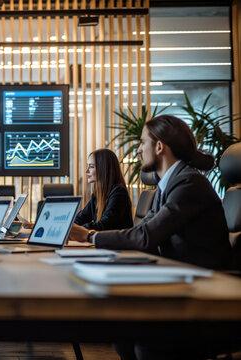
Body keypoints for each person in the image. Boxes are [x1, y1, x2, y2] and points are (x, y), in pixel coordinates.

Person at [69, 115, 232, 360]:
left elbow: (146, 236)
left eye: (143, 142)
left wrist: (90, 236)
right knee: (122, 330)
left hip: (203, 293)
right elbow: (142, 232)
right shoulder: (166, 186)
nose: (139, 150)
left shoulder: (189, 183)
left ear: (159, 146)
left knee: (142, 339)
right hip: (177, 281)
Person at [74, 148, 133, 231]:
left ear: (104, 168)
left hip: (117, 243)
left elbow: (105, 225)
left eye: (91, 166)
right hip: (105, 242)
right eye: (87, 166)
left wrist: (76, 230)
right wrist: (67, 226)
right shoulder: (97, 195)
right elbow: (81, 218)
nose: (87, 171)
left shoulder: (119, 193)